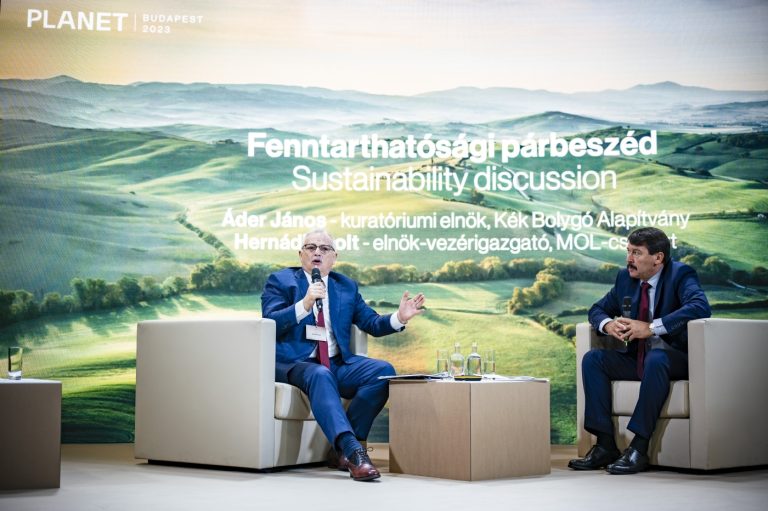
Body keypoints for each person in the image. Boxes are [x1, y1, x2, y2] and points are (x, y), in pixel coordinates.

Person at [261, 229, 426, 481]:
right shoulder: (281, 281)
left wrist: (399, 318)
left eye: (324, 248)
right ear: (301, 254)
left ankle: (342, 451)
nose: (317, 252)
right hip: (294, 363)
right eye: (311, 247)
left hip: (336, 362)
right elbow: (271, 320)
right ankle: (354, 452)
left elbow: (371, 323)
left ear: (334, 257)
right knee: (320, 374)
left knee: (383, 372)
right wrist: (305, 304)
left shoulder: (345, 286)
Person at [569, 227, 711, 475]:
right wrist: (608, 324)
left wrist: (651, 328)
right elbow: (597, 310)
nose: (629, 259)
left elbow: (700, 307)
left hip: (675, 358)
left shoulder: (680, 274)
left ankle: (639, 448)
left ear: (658, 258)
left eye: (636, 253)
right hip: (638, 359)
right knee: (593, 359)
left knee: (656, 358)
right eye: (628, 251)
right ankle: (605, 445)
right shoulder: (625, 278)